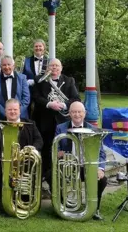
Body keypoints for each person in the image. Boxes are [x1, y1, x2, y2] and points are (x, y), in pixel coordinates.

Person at [32, 58, 80, 189]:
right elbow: (35, 97)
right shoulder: (39, 79)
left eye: (57, 66)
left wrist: (64, 104)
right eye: (52, 66)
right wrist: (49, 103)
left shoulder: (69, 80)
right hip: (44, 119)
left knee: (62, 148)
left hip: (62, 120)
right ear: (48, 67)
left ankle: (62, 177)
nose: (54, 68)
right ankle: (44, 177)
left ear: (61, 68)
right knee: (46, 147)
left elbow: (76, 98)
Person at [54, 101, 107, 220]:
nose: (77, 115)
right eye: (74, 112)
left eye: (79, 112)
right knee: (52, 176)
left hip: (86, 166)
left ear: (85, 113)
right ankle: (63, 206)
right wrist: (57, 153)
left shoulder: (93, 129)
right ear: (69, 113)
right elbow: (55, 147)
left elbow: (101, 153)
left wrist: (100, 169)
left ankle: (94, 208)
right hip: (69, 166)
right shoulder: (60, 128)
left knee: (102, 180)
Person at [0, 99, 43, 190]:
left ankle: (26, 197)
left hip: (25, 160)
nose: (12, 112)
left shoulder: (30, 124)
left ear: (20, 111)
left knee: (34, 168)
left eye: (15, 109)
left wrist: (32, 149)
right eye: (10, 110)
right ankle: (4, 197)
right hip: (4, 161)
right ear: (5, 111)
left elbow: (39, 140)